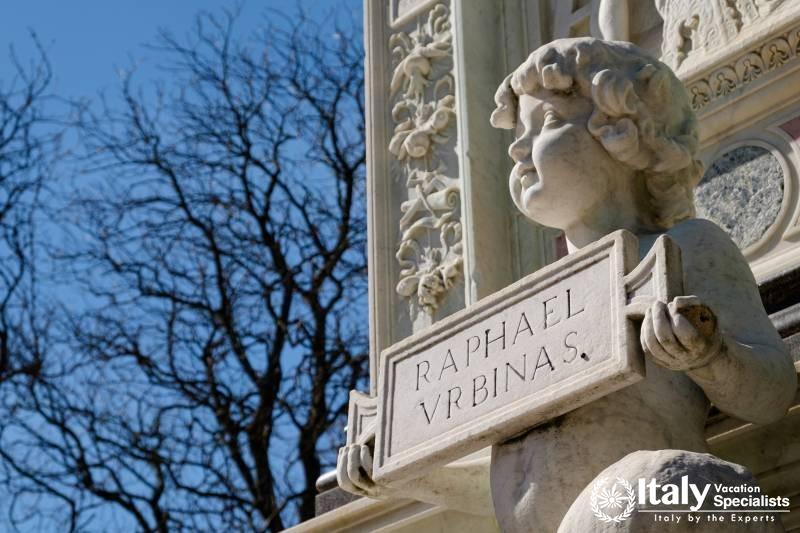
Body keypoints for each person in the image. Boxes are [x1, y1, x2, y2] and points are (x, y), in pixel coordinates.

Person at [488, 37, 796, 532]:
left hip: (639, 511)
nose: (518, 151)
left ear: (621, 134)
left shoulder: (685, 247)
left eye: (544, 125)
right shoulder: (524, 309)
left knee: (660, 484)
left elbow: (773, 394)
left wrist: (709, 357)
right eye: (515, 139)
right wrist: (393, 470)